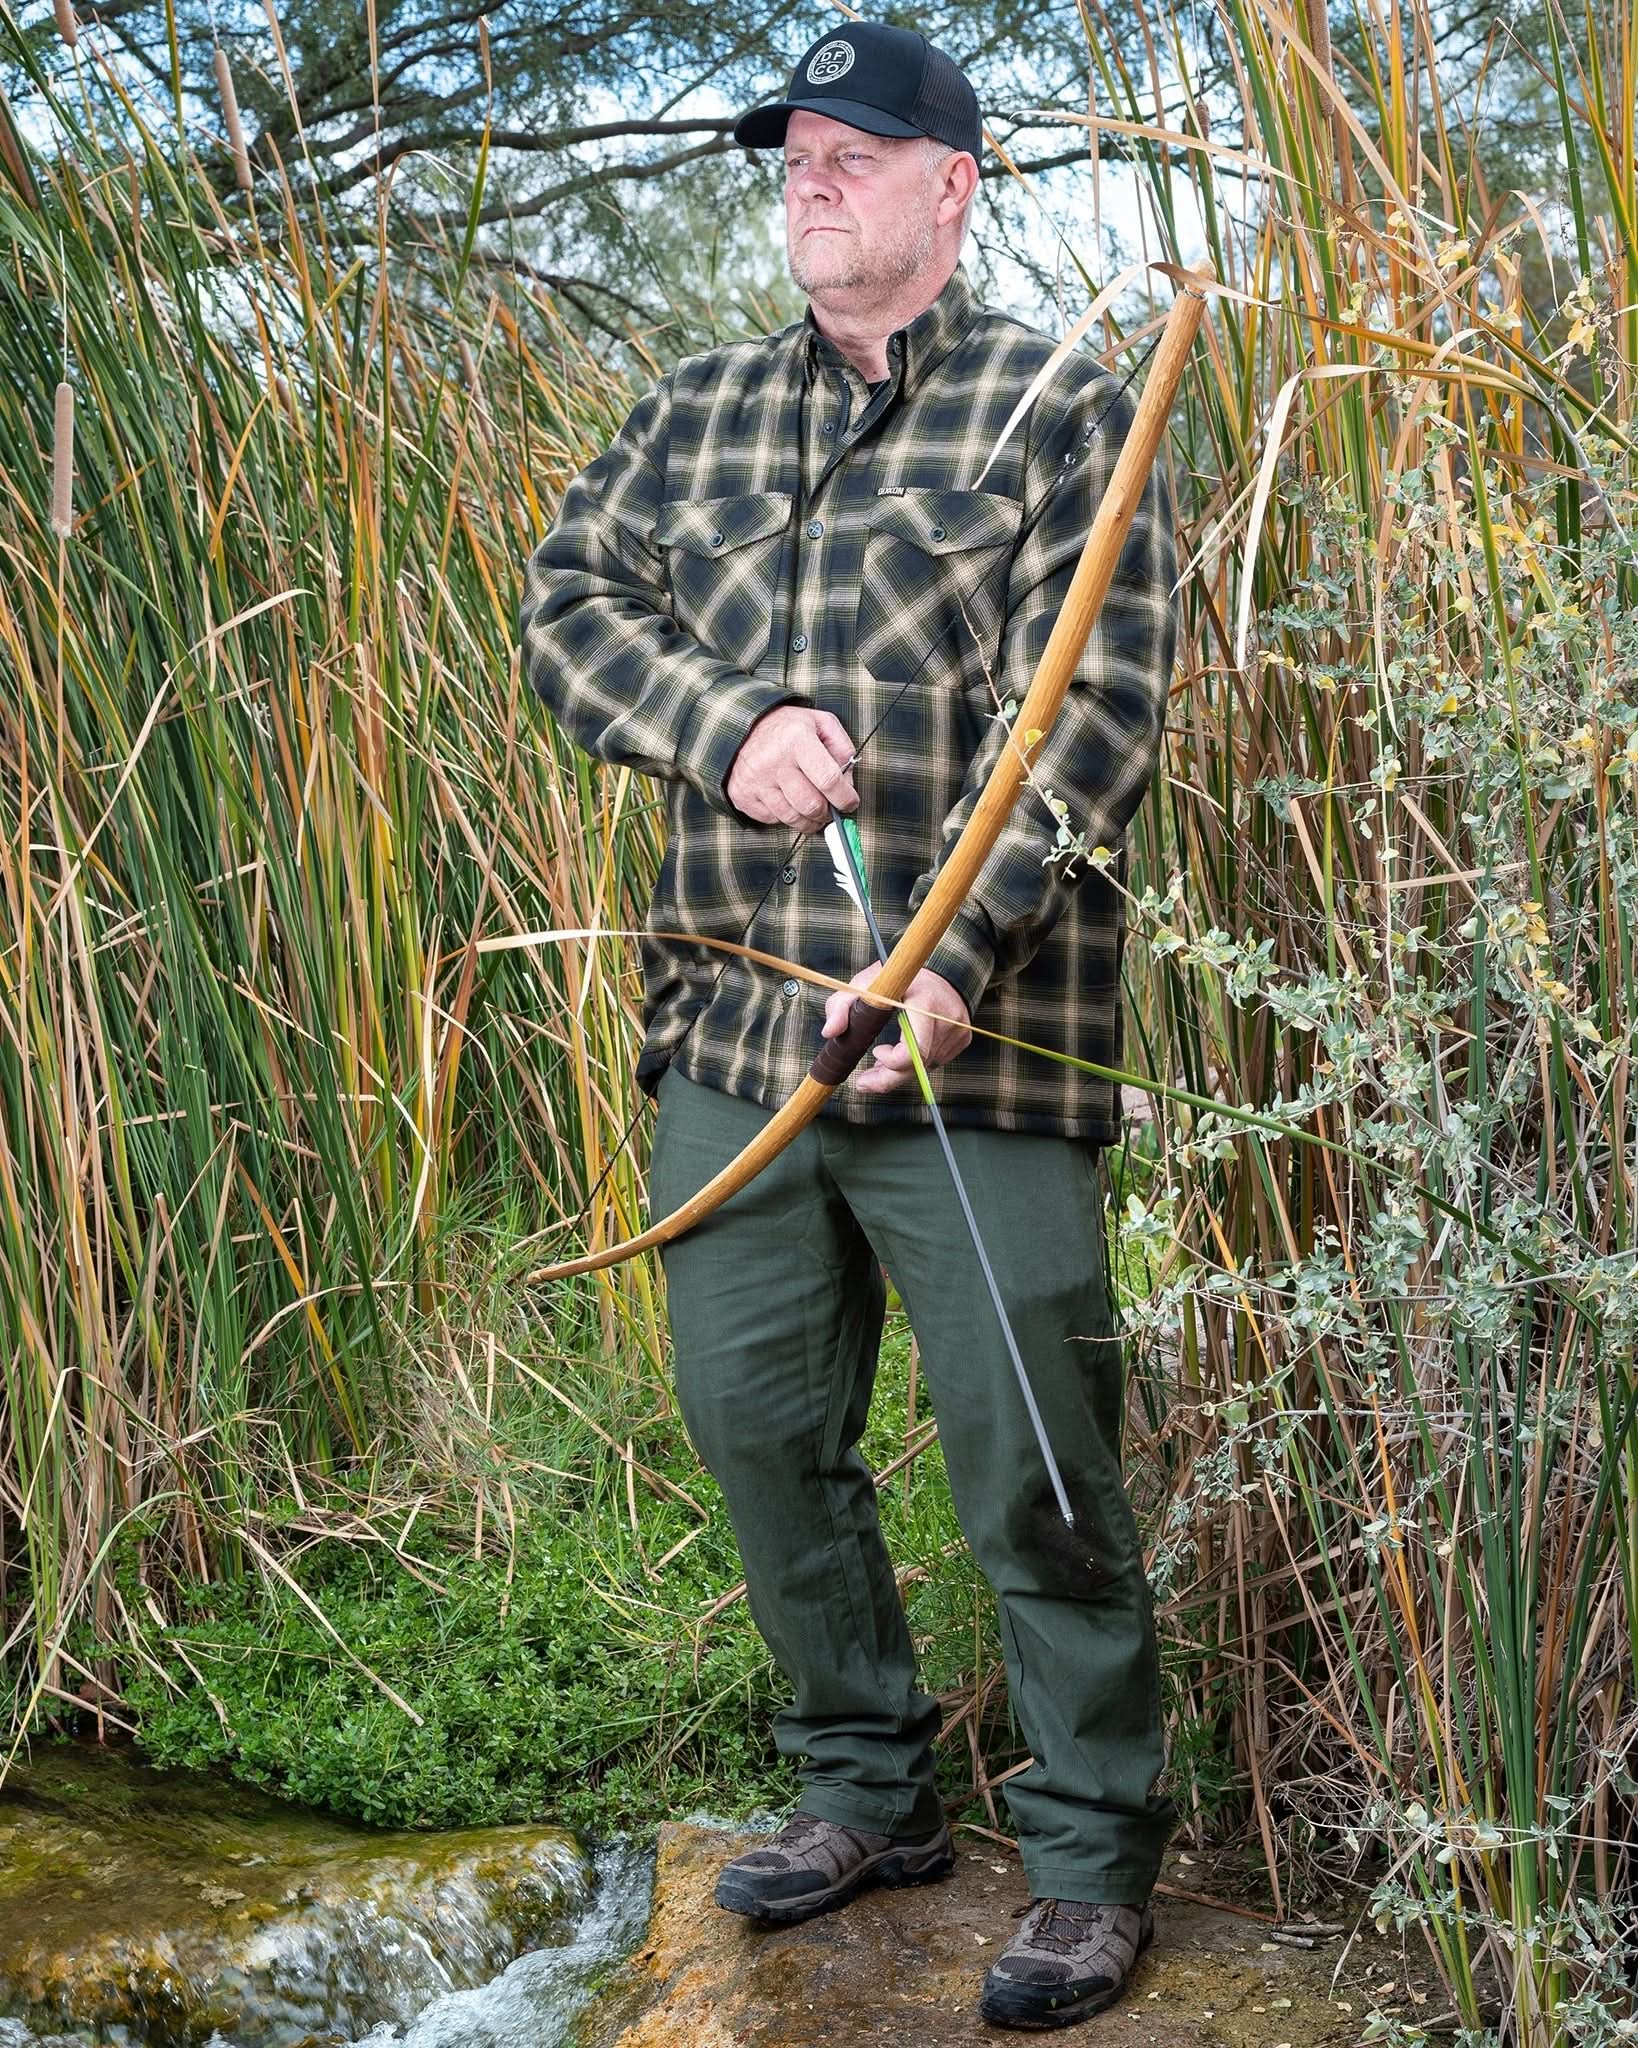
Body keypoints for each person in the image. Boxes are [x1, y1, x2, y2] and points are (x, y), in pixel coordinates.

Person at [518, 20, 1179, 2030]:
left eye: (853, 150)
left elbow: (1094, 714)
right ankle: (866, 1791)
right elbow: (567, 610)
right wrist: (723, 727)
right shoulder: (693, 411)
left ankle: (1088, 1854)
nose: (808, 175)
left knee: (1032, 1458)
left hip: (985, 1042)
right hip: (736, 1039)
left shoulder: (1062, 409)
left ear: (950, 186)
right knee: (758, 1429)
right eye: (792, 150)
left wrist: (953, 963)